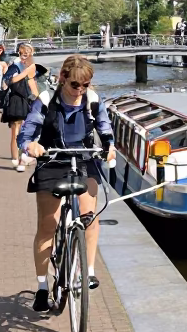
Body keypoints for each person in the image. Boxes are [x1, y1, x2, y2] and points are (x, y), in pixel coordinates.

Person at [18, 54, 116, 313]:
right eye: (75, 85)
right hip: (52, 159)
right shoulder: (47, 100)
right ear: (62, 79)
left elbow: (105, 128)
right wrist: (31, 145)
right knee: (47, 226)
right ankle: (41, 287)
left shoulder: (93, 101)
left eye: (85, 85)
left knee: (90, 216)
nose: (80, 90)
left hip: (84, 159)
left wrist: (109, 146)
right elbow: (27, 132)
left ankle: (89, 272)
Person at [3, 42, 41, 172]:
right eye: (24, 54)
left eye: (29, 55)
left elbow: (32, 83)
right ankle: (17, 159)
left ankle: (21, 158)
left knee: (28, 130)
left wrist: (39, 98)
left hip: (28, 100)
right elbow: (9, 81)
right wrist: (26, 72)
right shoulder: (15, 66)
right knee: (16, 132)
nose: (26, 57)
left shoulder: (30, 66)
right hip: (16, 100)